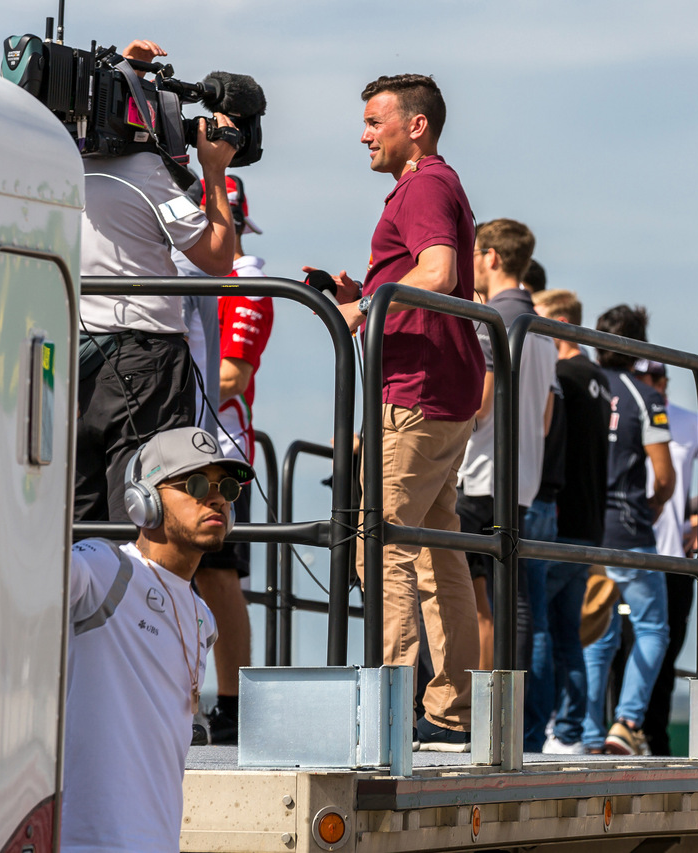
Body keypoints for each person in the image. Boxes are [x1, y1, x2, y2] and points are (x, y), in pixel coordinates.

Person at [312, 74, 483, 751]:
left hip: (414, 392)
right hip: (444, 390)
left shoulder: (423, 185)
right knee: (438, 552)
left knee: (379, 549)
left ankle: (387, 717)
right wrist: (371, 288)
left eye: (375, 120)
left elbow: (438, 272)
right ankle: (451, 710)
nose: (364, 133)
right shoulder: (439, 183)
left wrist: (364, 308)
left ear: (416, 125)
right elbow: (429, 271)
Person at [61, 426, 252, 852]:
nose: (216, 497)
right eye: (196, 484)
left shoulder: (203, 618)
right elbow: (36, 568)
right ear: (143, 501)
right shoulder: (106, 570)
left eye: (225, 488)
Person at [76, 39, 240, 523]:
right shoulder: (147, 174)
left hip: (74, 360)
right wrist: (214, 172)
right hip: (143, 360)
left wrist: (131, 69)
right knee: (142, 513)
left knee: (79, 522)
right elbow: (217, 257)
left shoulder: (63, 168)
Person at [175, 174, 273, 744]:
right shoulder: (190, 269)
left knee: (218, 576)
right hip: (176, 446)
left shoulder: (247, 278)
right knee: (180, 575)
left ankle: (233, 706)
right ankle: (186, 700)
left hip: (219, 451)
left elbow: (232, 376)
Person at [455, 219, 555, 674]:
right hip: (520, 477)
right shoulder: (544, 328)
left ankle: (459, 706)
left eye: (473, 254)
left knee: (458, 590)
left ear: (491, 257)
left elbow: (477, 406)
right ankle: (505, 710)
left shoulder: (493, 320)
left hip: (478, 475)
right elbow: (545, 416)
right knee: (511, 598)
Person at [583, 305, 675, 755]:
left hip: (585, 528)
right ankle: (626, 722)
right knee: (653, 628)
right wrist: (653, 506)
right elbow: (665, 476)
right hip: (630, 527)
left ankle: (582, 729)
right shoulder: (648, 398)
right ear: (638, 348)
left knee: (595, 631)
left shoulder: (581, 386)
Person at [529, 289, 612, 754]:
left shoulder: (561, 375)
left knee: (540, 624)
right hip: (591, 524)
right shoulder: (598, 378)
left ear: (559, 321)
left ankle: (543, 728)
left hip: (561, 519)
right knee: (566, 632)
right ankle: (571, 732)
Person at [633, 359, 698, 756]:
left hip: (673, 556)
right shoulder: (620, 409)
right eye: (641, 380)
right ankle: (618, 731)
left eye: (654, 379)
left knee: (666, 650)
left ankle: (654, 738)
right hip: (628, 550)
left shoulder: (690, 421)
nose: (649, 386)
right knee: (620, 648)